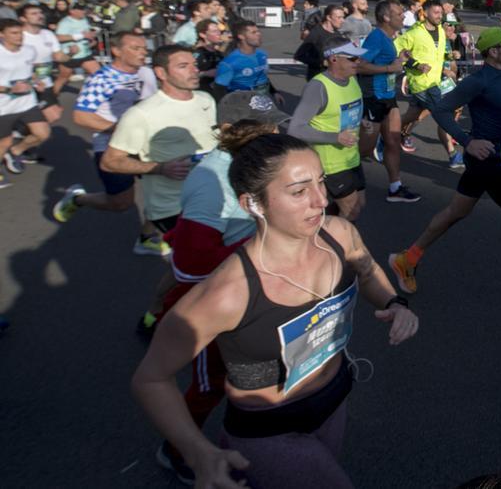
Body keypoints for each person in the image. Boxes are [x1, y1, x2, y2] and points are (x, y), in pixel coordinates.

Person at [131, 132, 419, 489]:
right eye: (299, 191)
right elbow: (150, 378)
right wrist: (196, 451)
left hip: (335, 398)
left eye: (320, 182)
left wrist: (395, 303)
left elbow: (368, 270)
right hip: (270, 428)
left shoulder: (339, 234)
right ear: (253, 204)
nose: (320, 200)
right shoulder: (227, 294)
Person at [153, 92, 291, 483]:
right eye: (260, 129)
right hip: (214, 301)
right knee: (210, 383)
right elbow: (190, 264)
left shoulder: (252, 165)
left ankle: (254, 440)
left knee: (253, 375)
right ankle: (177, 449)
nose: (273, 134)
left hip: (251, 292)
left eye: (274, 125)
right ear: (228, 131)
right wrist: (263, 248)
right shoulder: (212, 178)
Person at [388, 28, 501, 295]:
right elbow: (440, 109)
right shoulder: (477, 80)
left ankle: (407, 258)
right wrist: (467, 140)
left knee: (455, 213)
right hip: (487, 159)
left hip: (492, 156)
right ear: (493, 51)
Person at [103, 43, 220, 333]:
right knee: (202, 265)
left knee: (192, 264)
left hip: (211, 198)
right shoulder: (142, 115)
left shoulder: (206, 99)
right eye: (183, 66)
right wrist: (158, 167)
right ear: (161, 72)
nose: (194, 70)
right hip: (172, 206)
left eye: (194, 64)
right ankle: (158, 316)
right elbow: (111, 161)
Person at [53, 31, 160, 255]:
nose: (142, 53)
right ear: (117, 51)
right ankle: (79, 199)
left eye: (143, 48)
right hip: (114, 147)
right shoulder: (101, 79)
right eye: (135, 48)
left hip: (148, 144)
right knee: (121, 204)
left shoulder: (147, 73)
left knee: (163, 189)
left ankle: (147, 236)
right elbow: (82, 117)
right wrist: (124, 129)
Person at [288, 36, 368, 220]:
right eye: (353, 59)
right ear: (333, 59)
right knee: (351, 210)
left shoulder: (352, 79)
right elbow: (296, 128)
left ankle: (317, 231)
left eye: (358, 58)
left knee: (358, 204)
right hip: (330, 163)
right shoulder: (318, 87)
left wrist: (361, 120)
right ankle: (343, 247)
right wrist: (335, 137)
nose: (358, 62)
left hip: (350, 157)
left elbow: (344, 111)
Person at [354, 0, 421, 203]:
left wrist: (399, 59)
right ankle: (338, 180)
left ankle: (395, 187)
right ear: (386, 17)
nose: (403, 17)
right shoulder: (376, 38)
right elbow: (360, 65)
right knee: (365, 149)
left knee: (392, 141)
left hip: (388, 97)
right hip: (373, 98)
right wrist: (388, 69)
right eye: (399, 14)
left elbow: (388, 63)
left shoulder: (389, 38)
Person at [395, 0, 461, 168]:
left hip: (435, 81)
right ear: (425, 13)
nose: (440, 16)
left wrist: (449, 56)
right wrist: (415, 65)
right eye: (436, 13)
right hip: (422, 84)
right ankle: (454, 154)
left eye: (441, 13)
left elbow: (435, 54)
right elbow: (396, 50)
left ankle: (386, 133)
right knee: (444, 116)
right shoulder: (414, 33)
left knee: (413, 115)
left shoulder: (440, 30)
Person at [0, 19, 51, 177]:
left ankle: (16, 151)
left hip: (27, 102)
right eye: (14, 33)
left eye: (20, 33)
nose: (19, 36)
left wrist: (37, 81)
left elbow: (30, 71)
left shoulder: (29, 50)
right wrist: (10, 89)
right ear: (1, 34)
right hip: (4, 107)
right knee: (4, 143)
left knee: (42, 134)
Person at [19, 3, 67, 131]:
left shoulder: (47, 34)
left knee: (55, 114)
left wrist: (71, 53)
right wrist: (33, 79)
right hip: (25, 83)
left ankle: (21, 132)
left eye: (40, 13)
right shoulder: (18, 36)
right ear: (23, 19)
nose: (39, 16)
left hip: (45, 81)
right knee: (44, 118)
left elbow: (58, 56)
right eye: (34, 14)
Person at [213, 20, 280, 102]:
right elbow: (219, 90)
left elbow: (262, 76)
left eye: (258, 31)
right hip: (241, 106)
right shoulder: (230, 63)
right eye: (253, 32)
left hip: (262, 102)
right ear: (241, 36)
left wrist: (274, 92)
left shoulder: (262, 54)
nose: (259, 34)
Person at [53, 2, 101, 92]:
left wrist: (91, 39)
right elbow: (58, 38)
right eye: (80, 9)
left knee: (98, 75)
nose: (83, 11)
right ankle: (51, 98)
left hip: (85, 53)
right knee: (63, 78)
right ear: (72, 11)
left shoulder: (84, 20)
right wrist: (81, 36)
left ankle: (92, 95)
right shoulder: (65, 22)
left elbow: (86, 33)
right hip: (71, 55)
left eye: (84, 9)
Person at [300, 5, 348, 81]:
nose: (343, 20)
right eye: (339, 17)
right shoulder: (316, 33)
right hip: (318, 78)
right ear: (328, 17)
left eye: (343, 17)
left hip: (334, 77)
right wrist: (322, 62)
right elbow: (300, 56)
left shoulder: (338, 34)